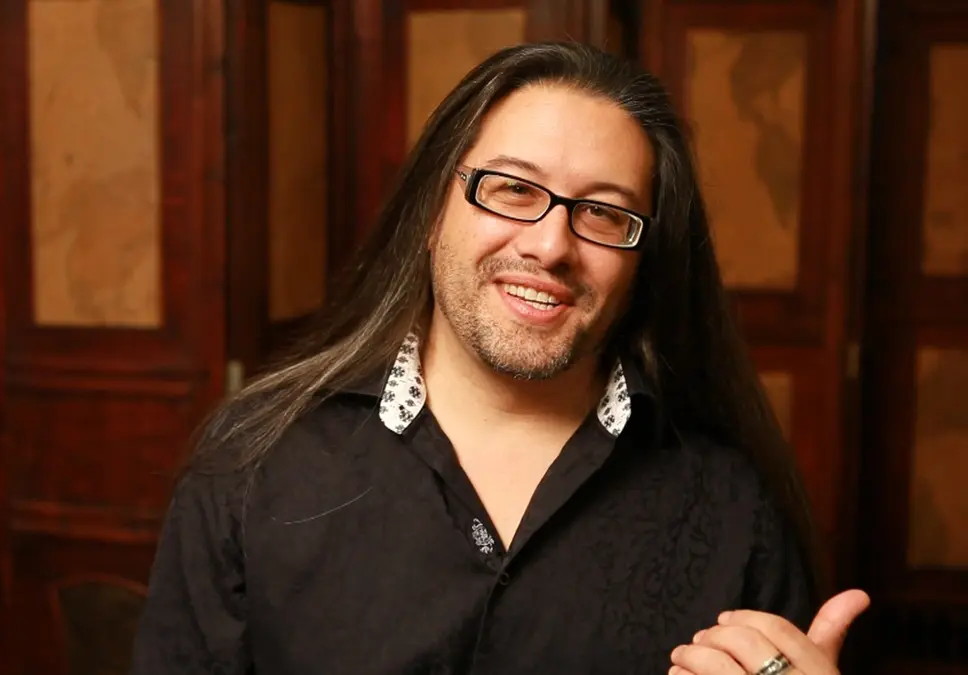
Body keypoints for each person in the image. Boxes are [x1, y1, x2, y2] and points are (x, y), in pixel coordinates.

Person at [130, 41, 869, 674]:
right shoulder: (252, 462)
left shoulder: (733, 506)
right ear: (431, 212)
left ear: (643, 259)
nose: (550, 246)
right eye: (512, 189)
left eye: (603, 211)